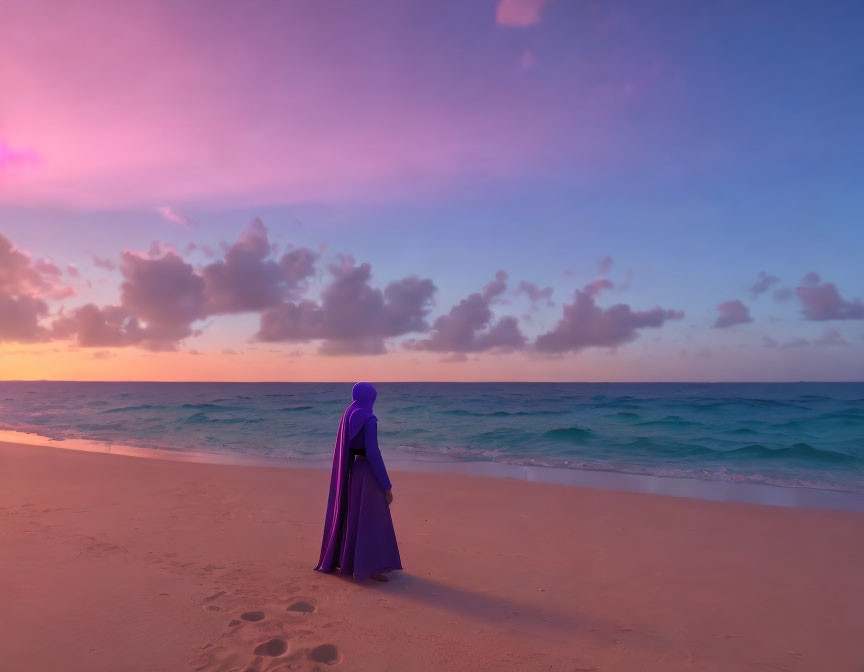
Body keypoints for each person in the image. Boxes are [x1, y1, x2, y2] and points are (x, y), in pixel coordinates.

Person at [314, 382, 402, 582]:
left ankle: (352, 562)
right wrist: (387, 485)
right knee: (371, 519)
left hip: (355, 471)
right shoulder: (369, 420)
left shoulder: (350, 415)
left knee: (356, 517)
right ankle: (369, 566)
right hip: (368, 474)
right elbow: (373, 453)